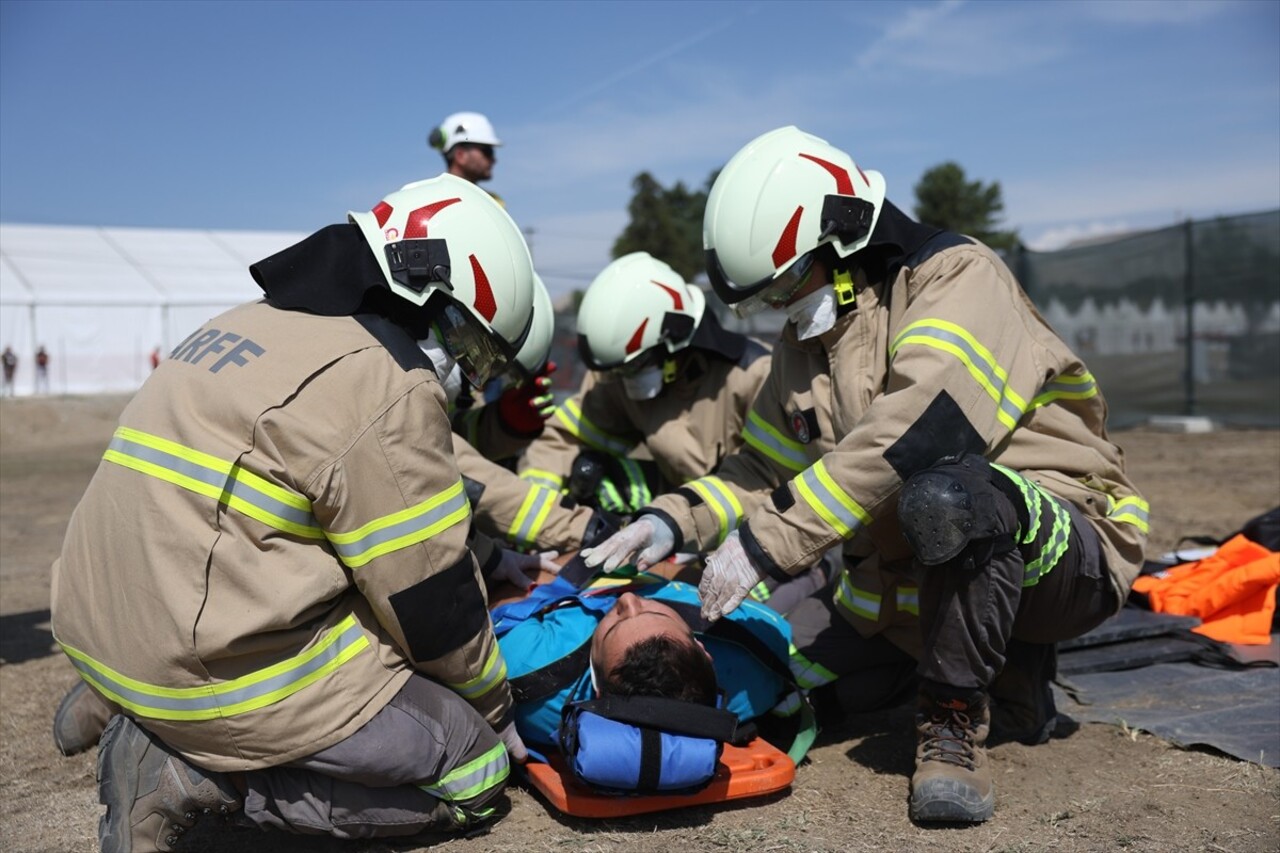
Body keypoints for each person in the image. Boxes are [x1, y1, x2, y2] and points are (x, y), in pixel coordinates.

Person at [583, 127, 1150, 824]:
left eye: (790, 280)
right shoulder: (807, 340)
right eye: (768, 294)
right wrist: (671, 517)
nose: (782, 307)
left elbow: (926, 429)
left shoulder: (957, 277)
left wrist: (765, 544)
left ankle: (952, 728)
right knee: (787, 675)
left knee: (951, 495)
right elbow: (762, 465)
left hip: (1062, 541)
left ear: (845, 235)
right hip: (902, 572)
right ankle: (996, 674)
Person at [50, 174, 540, 852]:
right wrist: (492, 708)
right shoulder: (384, 381)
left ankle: (122, 696)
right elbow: (430, 601)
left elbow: (332, 505)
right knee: (474, 766)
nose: (465, 373)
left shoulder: (244, 323)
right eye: (472, 348)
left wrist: (484, 553)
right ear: (434, 295)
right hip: (198, 656)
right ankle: (188, 774)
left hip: (104, 620)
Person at [488, 568, 811, 763]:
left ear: (598, 689)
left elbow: (502, 599)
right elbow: (776, 626)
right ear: (704, 651)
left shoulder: (528, 672)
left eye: (613, 624)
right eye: (658, 614)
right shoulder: (758, 653)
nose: (628, 601)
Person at [429, 111, 502, 203]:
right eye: (487, 152)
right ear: (461, 155)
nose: (494, 160)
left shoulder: (494, 202)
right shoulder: (431, 199)